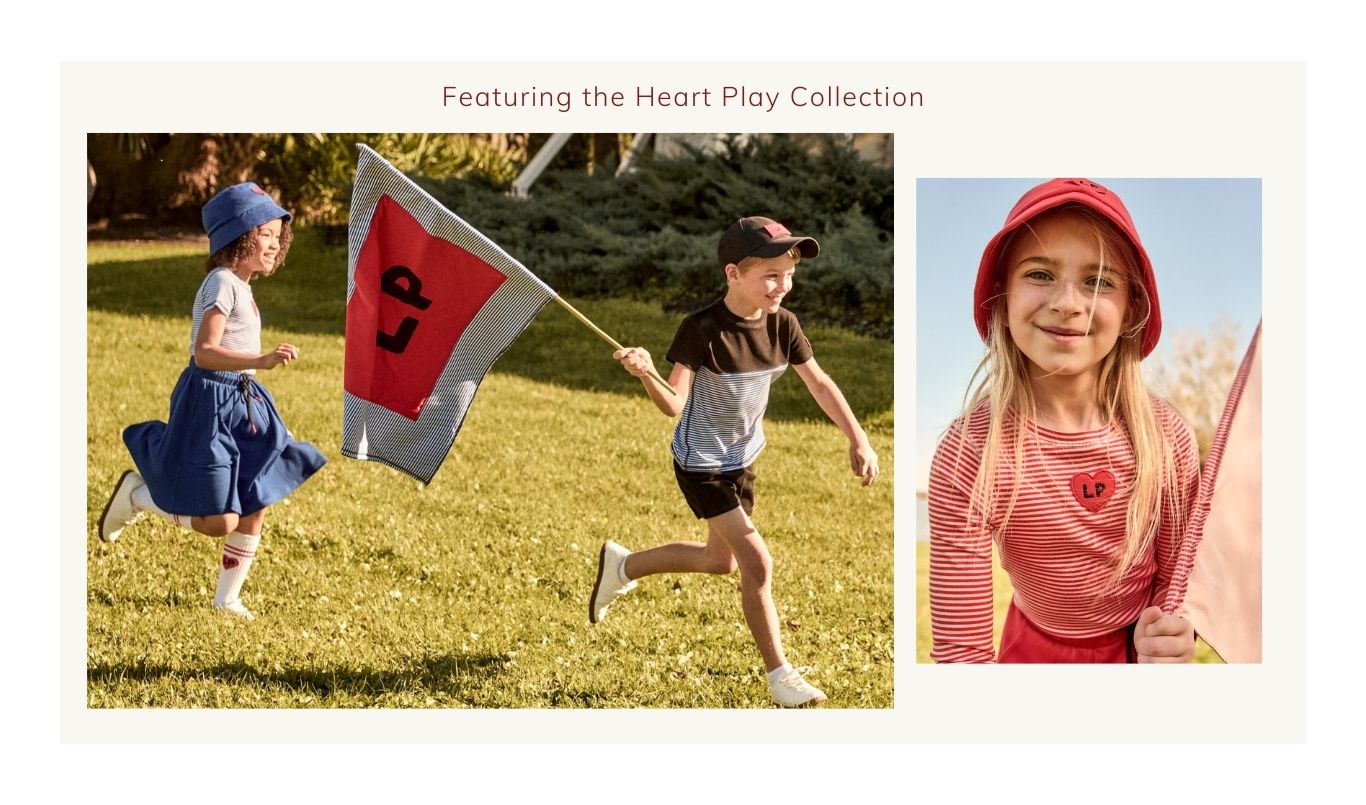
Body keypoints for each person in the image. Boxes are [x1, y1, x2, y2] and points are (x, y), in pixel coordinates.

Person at [594, 216, 880, 707]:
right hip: (701, 463)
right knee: (756, 562)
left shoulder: (783, 325)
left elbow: (819, 383)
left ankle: (623, 567)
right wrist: (646, 373)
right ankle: (781, 677)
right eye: (770, 275)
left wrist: (858, 438)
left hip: (742, 459)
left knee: (719, 561)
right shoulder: (702, 329)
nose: (783, 286)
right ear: (733, 274)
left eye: (789, 275)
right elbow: (674, 404)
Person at [928, 178, 1200, 663]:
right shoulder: (970, 451)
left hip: (1135, 649)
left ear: (1132, 309)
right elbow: (961, 653)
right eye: (1040, 274)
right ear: (1001, 297)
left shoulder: (1166, 437)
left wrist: (1172, 635)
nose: (1069, 303)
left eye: (1099, 281)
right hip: (1028, 647)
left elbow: (1179, 575)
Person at [97, 182, 327, 620]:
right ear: (238, 235)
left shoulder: (242, 286)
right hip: (210, 402)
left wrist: (254, 377)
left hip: (243, 400)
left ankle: (227, 599)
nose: (275, 243)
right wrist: (261, 360)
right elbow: (205, 352)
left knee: (256, 499)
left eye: (278, 236)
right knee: (219, 520)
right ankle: (139, 494)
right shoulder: (221, 282)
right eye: (265, 234)